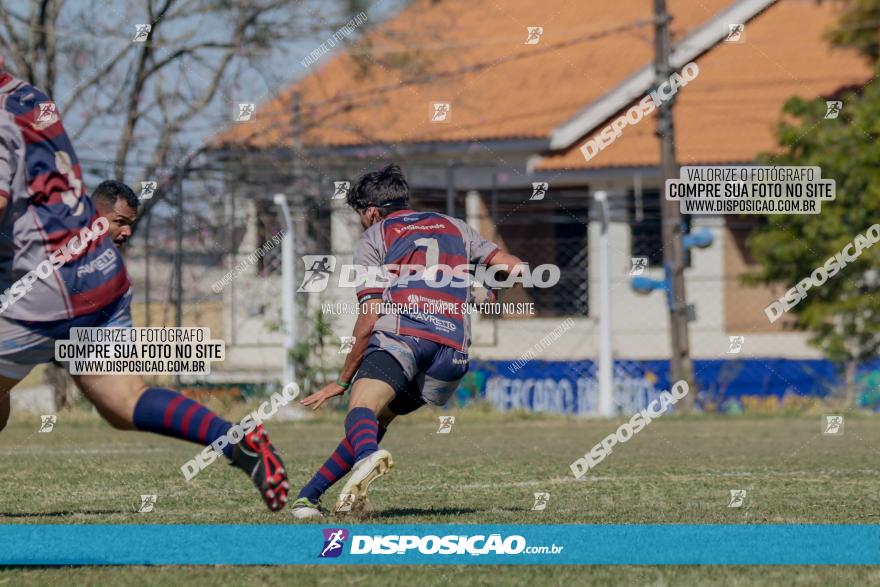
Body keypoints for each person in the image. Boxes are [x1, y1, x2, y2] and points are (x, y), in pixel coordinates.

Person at [0, 62, 289, 511]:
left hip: (45, 283)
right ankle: (235, 440)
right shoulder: (28, 97)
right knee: (124, 403)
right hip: (99, 273)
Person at [291, 163, 524, 518]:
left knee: (360, 410)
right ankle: (308, 498)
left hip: (404, 339)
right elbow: (516, 267)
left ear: (370, 211)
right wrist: (489, 291)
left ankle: (367, 457)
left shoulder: (375, 236)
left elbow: (369, 320)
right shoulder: (455, 226)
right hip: (451, 356)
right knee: (377, 419)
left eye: (360, 216)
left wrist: (341, 381)